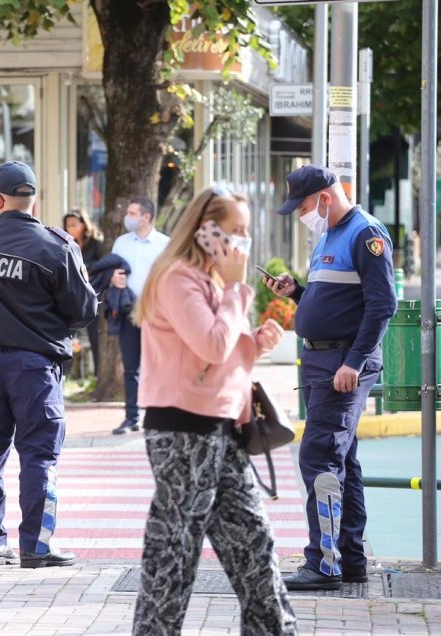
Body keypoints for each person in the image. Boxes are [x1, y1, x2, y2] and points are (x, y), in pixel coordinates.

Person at [132, 185, 296, 635]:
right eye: (234, 230)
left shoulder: (214, 282)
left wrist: (253, 345)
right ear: (205, 230)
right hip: (182, 430)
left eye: (245, 231)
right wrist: (239, 289)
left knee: (255, 544)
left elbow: (219, 357)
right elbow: (209, 343)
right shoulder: (178, 279)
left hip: (222, 430)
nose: (241, 240)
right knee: (174, 558)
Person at [0, 161, 98, 568]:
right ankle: (36, 546)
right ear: (33, 198)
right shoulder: (56, 245)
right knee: (39, 455)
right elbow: (84, 308)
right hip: (34, 367)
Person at [269, 165, 397, 591]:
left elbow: (382, 305)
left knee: (319, 457)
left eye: (304, 206)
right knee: (343, 461)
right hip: (325, 362)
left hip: (342, 365)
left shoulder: (366, 234)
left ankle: (323, 564)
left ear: (325, 197)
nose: (302, 214)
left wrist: (354, 362)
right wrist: (298, 293)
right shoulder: (328, 235)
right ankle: (350, 559)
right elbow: (339, 299)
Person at [109, 197, 169, 434]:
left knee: (157, 366)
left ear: (147, 217)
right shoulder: (121, 243)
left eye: (133, 213)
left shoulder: (165, 244)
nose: (128, 216)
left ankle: (159, 416)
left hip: (157, 314)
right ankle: (131, 416)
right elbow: (112, 271)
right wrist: (114, 279)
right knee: (131, 367)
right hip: (127, 312)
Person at [63, 209, 103, 375]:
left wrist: (86, 268)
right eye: (68, 225)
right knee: (67, 337)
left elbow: (102, 265)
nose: (71, 228)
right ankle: (64, 375)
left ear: (83, 224)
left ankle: (98, 374)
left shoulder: (96, 242)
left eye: (74, 224)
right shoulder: (63, 242)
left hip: (93, 295)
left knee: (95, 338)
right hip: (71, 297)